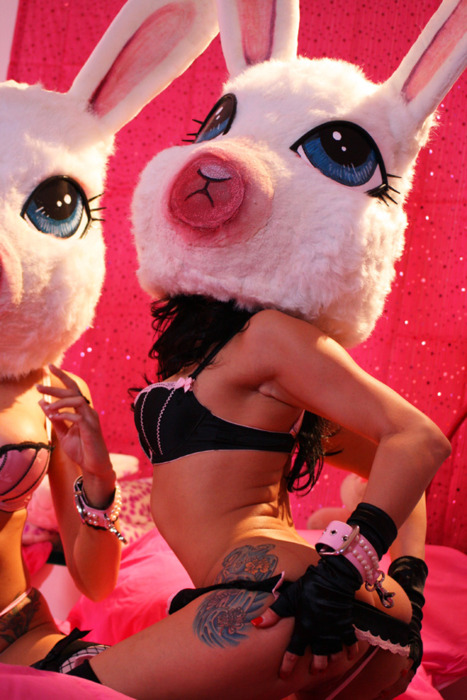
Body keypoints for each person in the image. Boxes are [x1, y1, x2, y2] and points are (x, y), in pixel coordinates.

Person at [33, 295, 449, 700]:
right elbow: (393, 460)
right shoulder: (252, 367)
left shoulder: (266, 332)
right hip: (326, 604)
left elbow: (419, 441)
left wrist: (344, 575)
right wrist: (406, 595)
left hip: (285, 597)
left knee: (60, 692)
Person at [0, 364, 123, 670]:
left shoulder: (52, 387)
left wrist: (100, 481)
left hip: (17, 635)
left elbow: (96, 583)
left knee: (131, 680)